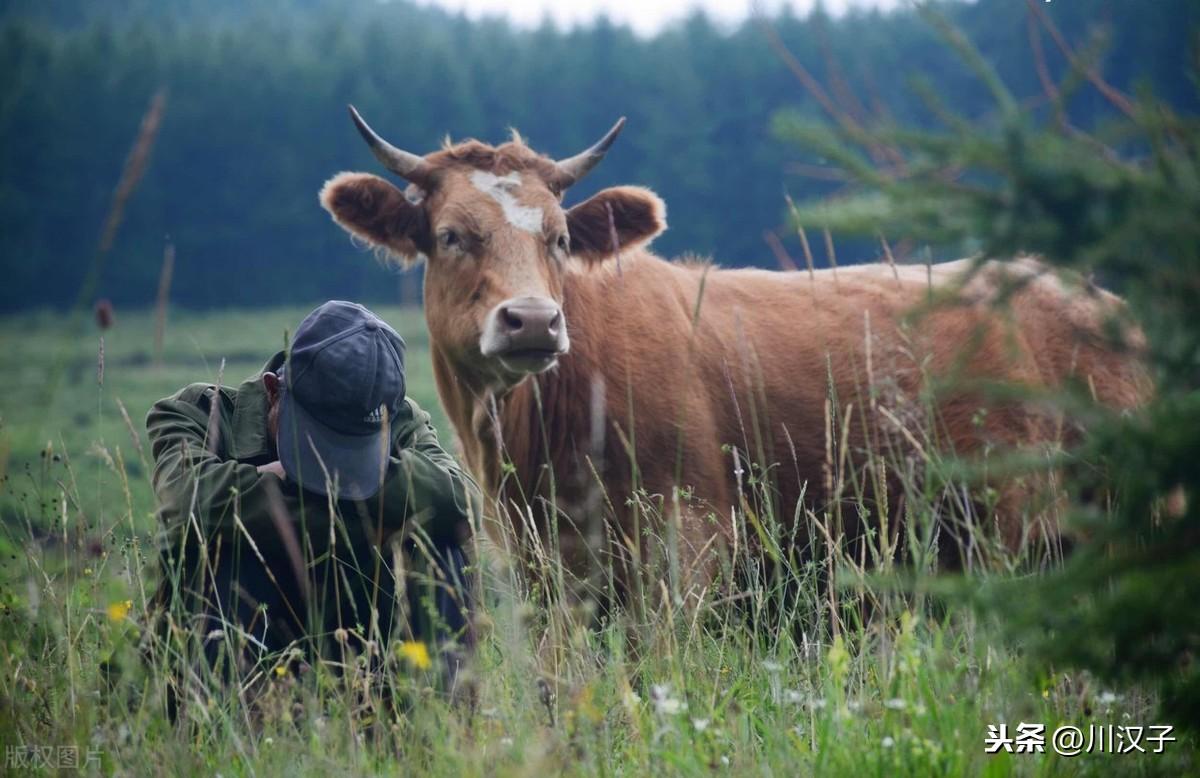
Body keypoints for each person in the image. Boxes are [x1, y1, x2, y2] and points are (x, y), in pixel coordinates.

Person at [145, 300, 479, 699]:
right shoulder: (199, 413)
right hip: (229, 655)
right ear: (274, 390)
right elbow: (188, 503)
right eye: (316, 445)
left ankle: (432, 721)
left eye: (350, 452)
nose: (328, 471)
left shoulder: (398, 416)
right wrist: (367, 499)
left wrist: (279, 485)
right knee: (220, 550)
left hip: (366, 652)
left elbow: (465, 505)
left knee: (443, 548)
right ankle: (220, 729)